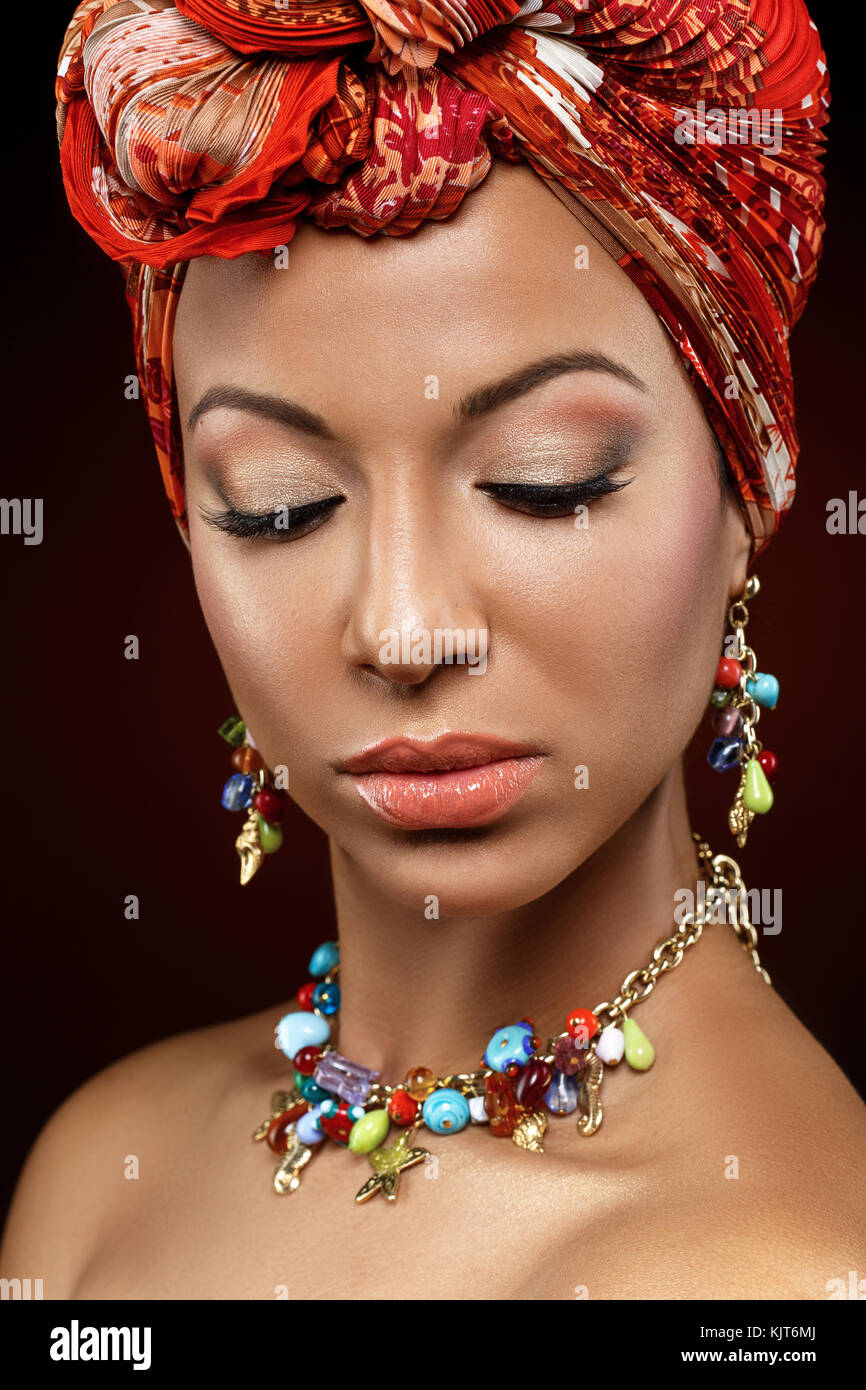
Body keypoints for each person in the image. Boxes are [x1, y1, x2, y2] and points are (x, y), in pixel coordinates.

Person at [2, 0, 864, 1300]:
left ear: (745, 494)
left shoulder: (787, 1277)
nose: (401, 630)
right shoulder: (89, 1183)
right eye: (278, 503)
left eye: (543, 481)